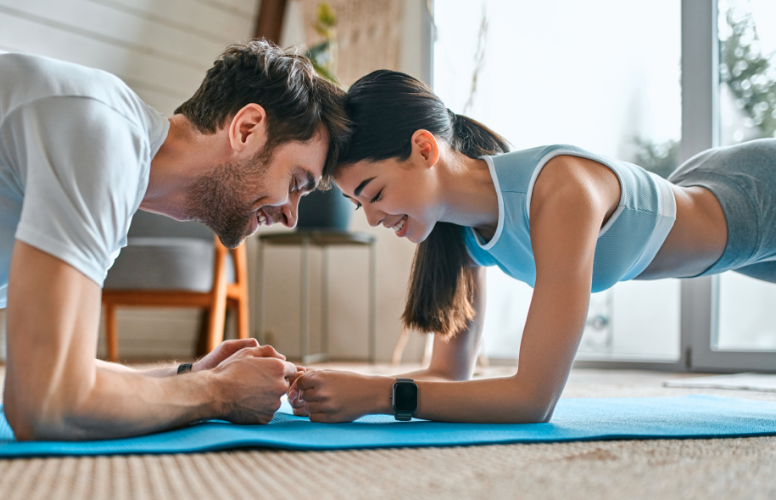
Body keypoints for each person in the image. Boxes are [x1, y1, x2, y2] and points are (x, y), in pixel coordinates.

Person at [0, 41, 350, 440]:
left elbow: (55, 363)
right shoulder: (99, 130)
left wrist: (187, 372)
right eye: (297, 183)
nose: (290, 214)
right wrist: (216, 393)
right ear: (247, 128)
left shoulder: (113, 171)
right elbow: (44, 402)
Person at [288, 69, 776, 424]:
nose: (373, 217)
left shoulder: (559, 191)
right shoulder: (455, 232)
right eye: (358, 204)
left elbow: (532, 399)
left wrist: (380, 396)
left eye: (374, 193)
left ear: (425, 149)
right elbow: (448, 373)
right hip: (716, 201)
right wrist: (327, 381)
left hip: (758, 196)